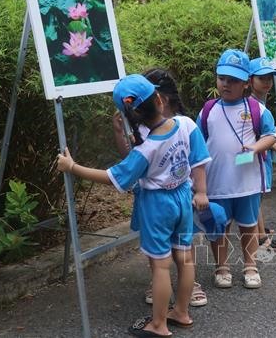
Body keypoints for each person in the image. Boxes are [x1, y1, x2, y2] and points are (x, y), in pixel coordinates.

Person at [58, 74, 210, 337]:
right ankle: (182, 312)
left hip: (157, 205)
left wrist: (73, 167)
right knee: (185, 259)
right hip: (183, 196)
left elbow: (114, 177)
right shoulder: (186, 124)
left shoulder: (146, 149)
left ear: (131, 119)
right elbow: (198, 158)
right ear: (160, 100)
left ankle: (159, 324)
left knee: (161, 265)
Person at [112, 68, 207, 308]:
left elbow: (197, 161)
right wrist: (118, 133)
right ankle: (165, 289)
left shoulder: (182, 124)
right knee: (163, 254)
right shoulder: (142, 128)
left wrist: (201, 191)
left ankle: (169, 299)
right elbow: (131, 161)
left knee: (174, 253)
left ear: (161, 98)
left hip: (163, 200)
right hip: (167, 197)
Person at [198, 49, 276, 290]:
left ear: (245, 82)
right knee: (218, 226)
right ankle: (222, 266)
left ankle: (250, 265)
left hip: (247, 180)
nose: (226, 84)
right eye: (222, 78)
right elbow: (198, 145)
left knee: (248, 223)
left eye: (233, 80)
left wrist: (254, 148)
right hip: (216, 182)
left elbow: (270, 136)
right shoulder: (208, 110)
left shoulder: (257, 110)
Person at [248, 58, 276, 253]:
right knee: (254, 198)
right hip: (256, 159)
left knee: (257, 198)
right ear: (250, 79)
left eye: (270, 78)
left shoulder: (258, 103)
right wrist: (271, 144)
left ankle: (261, 234)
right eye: (262, 78)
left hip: (258, 158)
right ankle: (260, 238)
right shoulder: (253, 105)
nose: (267, 82)